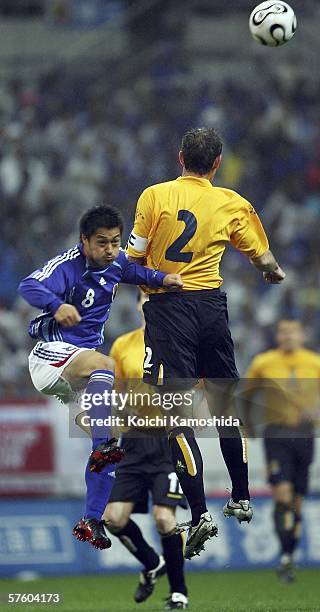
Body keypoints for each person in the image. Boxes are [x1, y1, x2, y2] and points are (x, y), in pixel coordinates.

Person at [126, 127, 286, 558]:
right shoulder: (231, 201)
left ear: (180, 158)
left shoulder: (154, 196)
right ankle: (242, 496)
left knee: (175, 417)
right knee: (225, 404)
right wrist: (272, 272)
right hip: (211, 309)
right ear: (217, 164)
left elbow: (133, 258)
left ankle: (199, 514)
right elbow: (265, 259)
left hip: (168, 309)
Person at [18, 204, 182, 551]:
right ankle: (101, 447)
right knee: (105, 366)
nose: (110, 250)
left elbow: (138, 273)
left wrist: (163, 279)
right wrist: (55, 305)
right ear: (84, 241)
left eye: (115, 242)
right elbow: (28, 285)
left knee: (112, 440)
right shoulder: (68, 267)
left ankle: (91, 519)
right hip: (51, 357)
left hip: (78, 371)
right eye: (102, 243)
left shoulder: (117, 262)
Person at [104, 290, 188, 610]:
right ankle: (152, 563)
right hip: (134, 443)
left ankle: (179, 593)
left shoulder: (181, 342)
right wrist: (122, 413)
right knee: (113, 518)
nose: (151, 304)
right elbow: (116, 396)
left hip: (169, 442)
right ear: (139, 305)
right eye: (146, 299)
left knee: (164, 520)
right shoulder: (123, 345)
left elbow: (195, 392)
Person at [244, 320, 320, 582]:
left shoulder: (314, 362)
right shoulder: (264, 362)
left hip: (304, 433)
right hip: (276, 433)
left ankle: (288, 556)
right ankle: (286, 557)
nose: (288, 336)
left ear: (302, 335)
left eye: (293, 332)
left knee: (297, 500)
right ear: (277, 336)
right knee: (282, 494)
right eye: (283, 332)